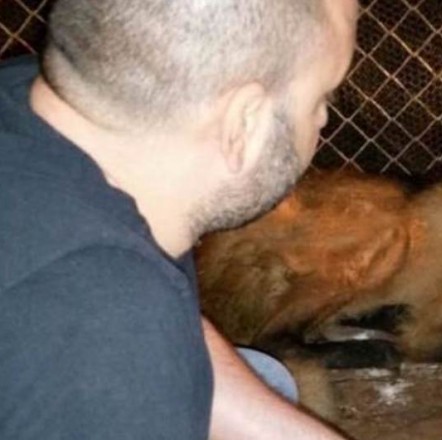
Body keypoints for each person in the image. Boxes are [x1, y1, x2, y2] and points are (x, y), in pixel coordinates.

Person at [0, 0, 358, 438]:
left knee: (266, 377)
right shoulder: (100, 327)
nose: (322, 117)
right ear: (243, 124)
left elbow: (164, 333)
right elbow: (121, 334)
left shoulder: (32, 100)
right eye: (323, 97)